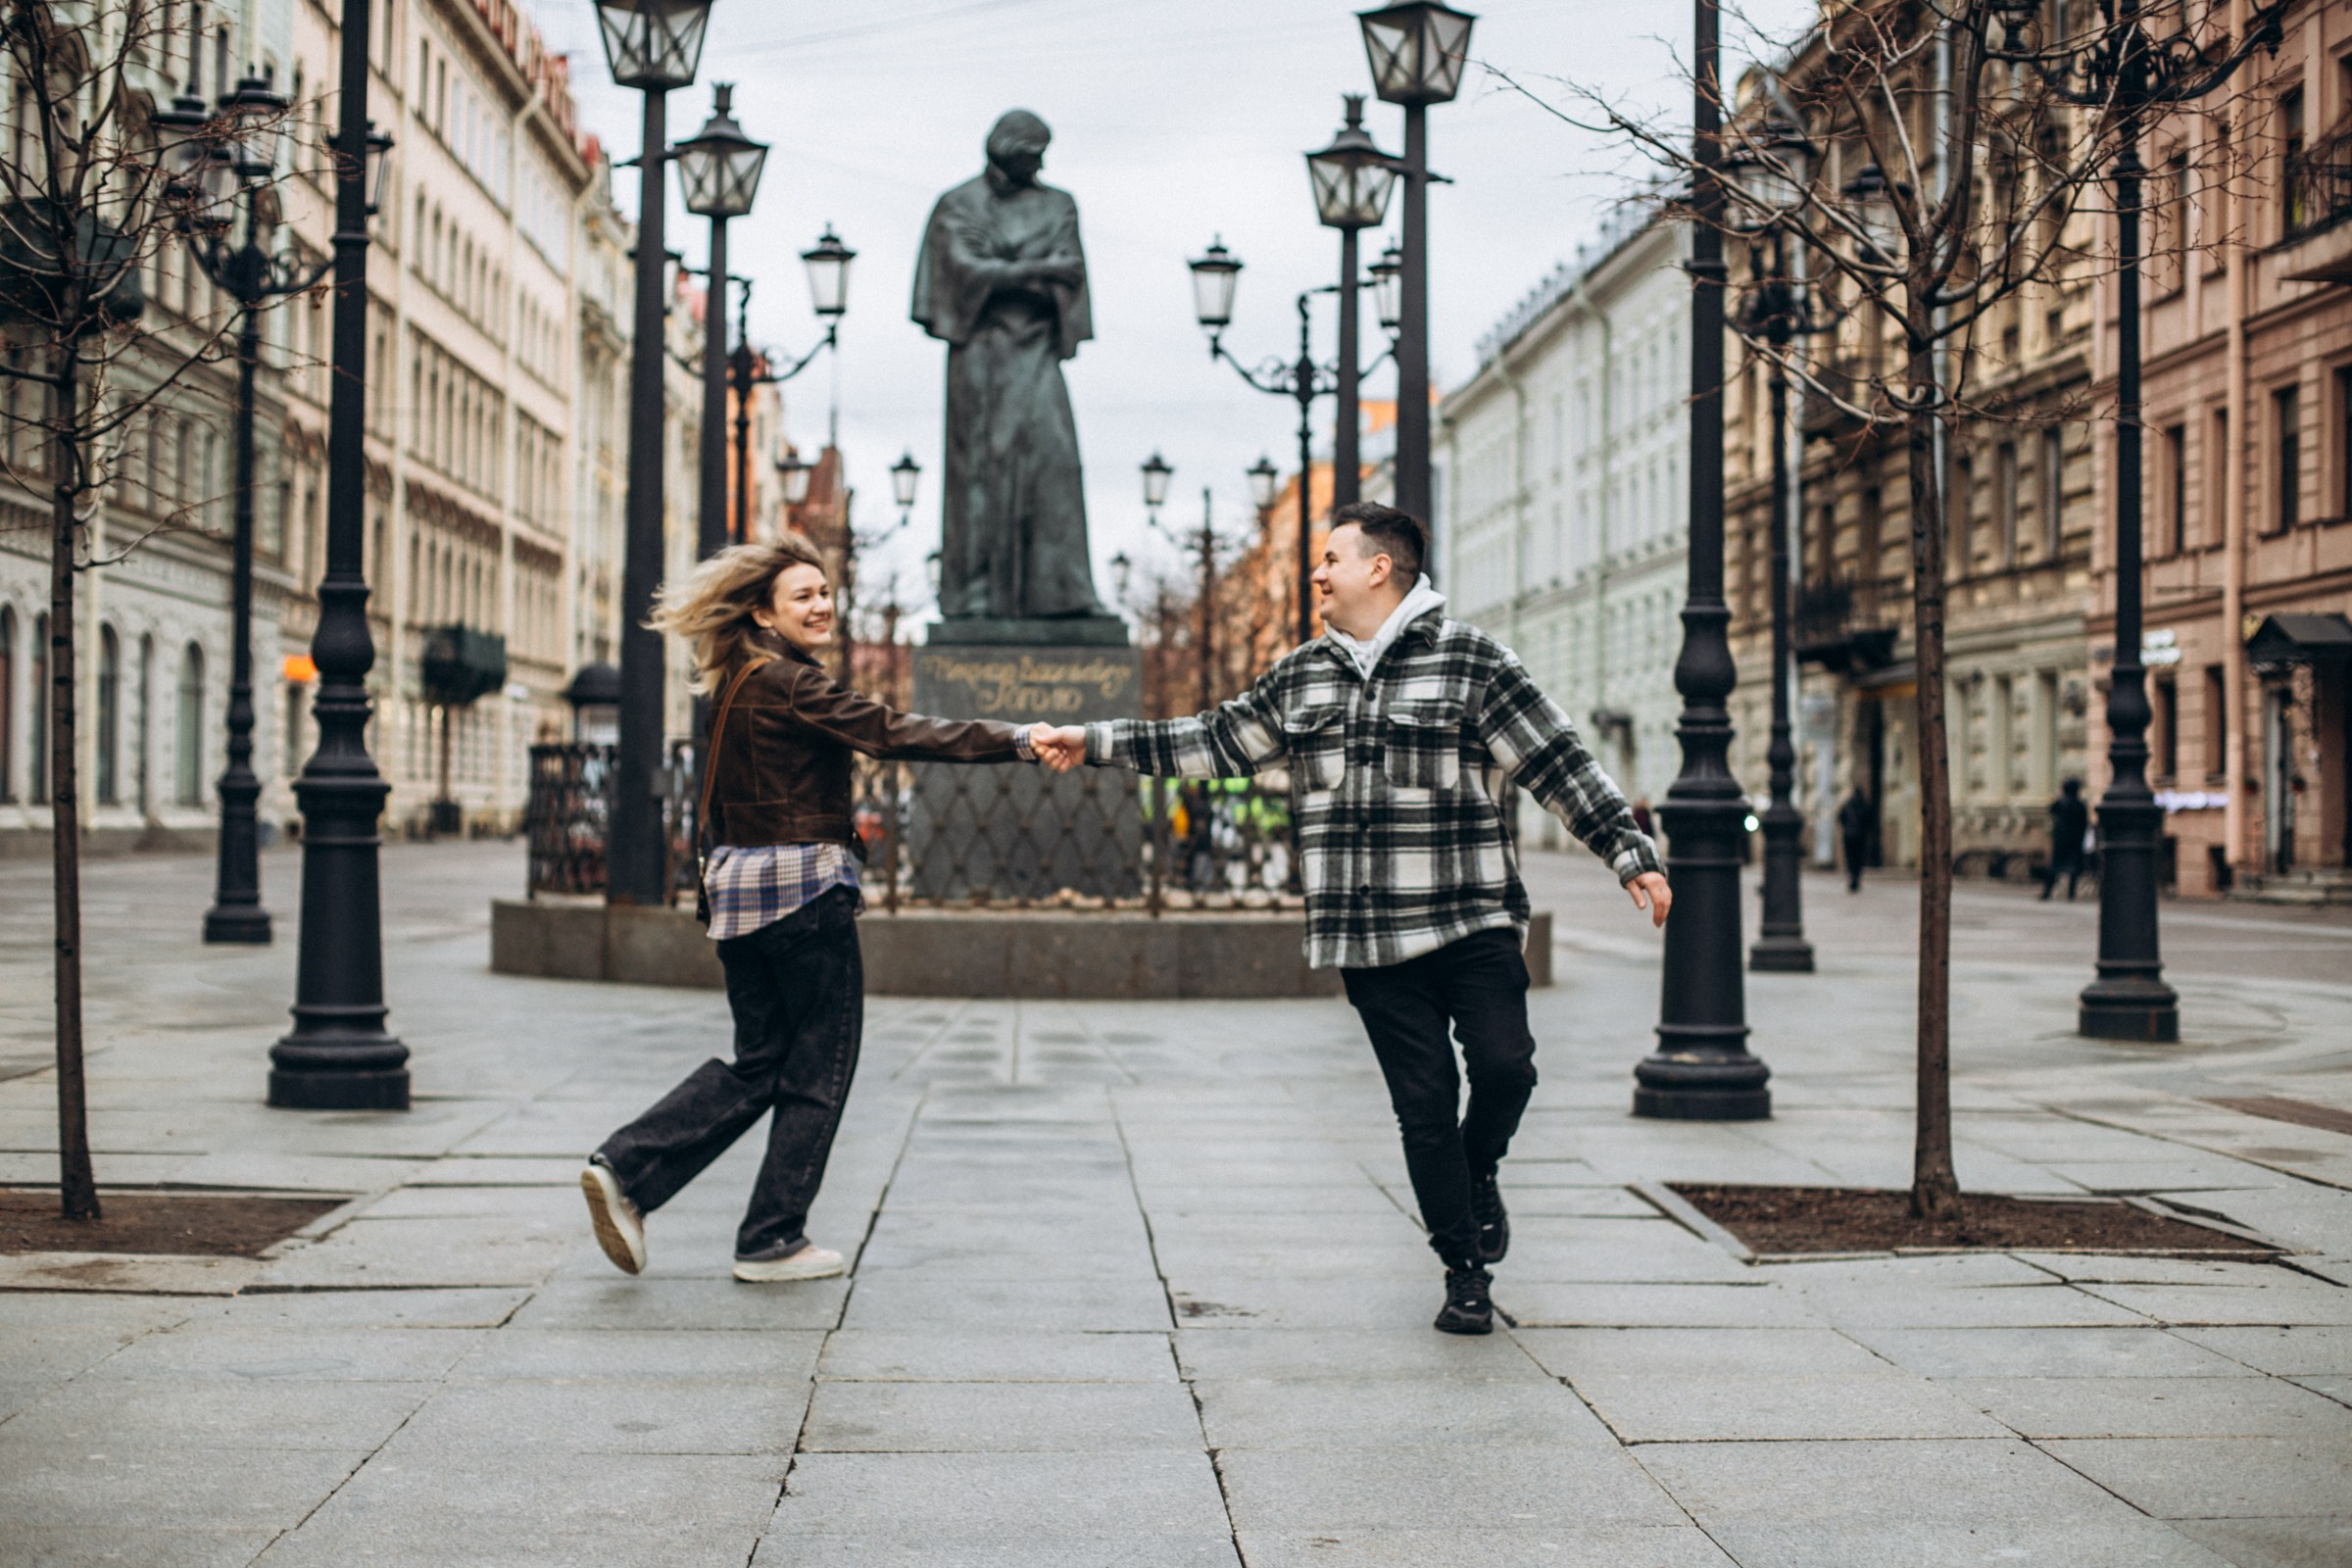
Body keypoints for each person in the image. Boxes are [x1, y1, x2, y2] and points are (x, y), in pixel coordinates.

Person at [1032, 503, 1669, 1337]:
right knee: (1424, 1105)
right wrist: (1097, 740)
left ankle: (1479, 1176)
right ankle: (1464, 1269)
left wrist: (1630, 851)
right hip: (1368, 936)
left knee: (1508, 1068)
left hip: (1470, 917)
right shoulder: (1302, 676)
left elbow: (1557, 759)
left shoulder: (1472, 662)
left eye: (1330, 558)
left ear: (1380, 568)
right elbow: (1214, 740)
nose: (1317, 574)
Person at [580, 539, 1072, 1283]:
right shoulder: (788, 683)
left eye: (825, 593)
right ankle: (772, 1236)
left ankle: (629, 1168)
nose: (821, 606)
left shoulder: (736, 683)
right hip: (805, 894)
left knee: (761, 1063)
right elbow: (895, 731)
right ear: (761, 612)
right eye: (801, 596)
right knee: (821, 1066)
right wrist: (1018, 740)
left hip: (740, 900)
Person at [2042, 777, 2090, 901]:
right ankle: (2071, 894)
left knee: (2054, 866)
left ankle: (2047, 892)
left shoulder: (2061, 803)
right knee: (2073, 867)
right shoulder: (2080, 805)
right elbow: (2084, 823)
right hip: (2075, 840)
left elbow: (2050, 810)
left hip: (2061, 839)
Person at [1838, 786, 1874, 893]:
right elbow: (1869, 820)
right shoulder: (1864, 804)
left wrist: (1846, 828)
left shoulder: (1848, 804)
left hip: (1849, 836)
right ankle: (1856, 878)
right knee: (1858, 858)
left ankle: (1852, 877)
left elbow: (1840, 817)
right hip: (1860, 836)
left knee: (1850, 858)